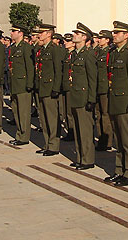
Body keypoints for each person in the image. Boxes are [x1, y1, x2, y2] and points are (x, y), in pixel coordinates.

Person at [105, 21, 128, 187]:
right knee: (118, 141)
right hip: (115, 102)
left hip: (126, 103)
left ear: (126, 35)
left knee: (127, 141)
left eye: (118, 32)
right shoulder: (114, 52)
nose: (114, 35)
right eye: (114, 32)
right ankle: (119, 170)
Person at [66, 23, 98, 169]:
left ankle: (88, 160)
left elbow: (92, 78)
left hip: (84, 98)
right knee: (78, 130)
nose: (74, 36)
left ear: (84, 37)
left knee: (85, 131)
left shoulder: (88, 54)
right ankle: (80, 156)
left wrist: (91, 99)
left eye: (77, 34)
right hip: (75, 96)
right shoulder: (75, 54)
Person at [34, 24, 63, 155]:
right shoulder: (42, 49)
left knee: (52, 118)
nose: (39, 34)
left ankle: (54, 146)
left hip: (50, 88)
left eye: (42, 32)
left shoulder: (54, 49)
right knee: (44, 118)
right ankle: (47, 143)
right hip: (42, 87)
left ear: (49, 34)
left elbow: (58, 70)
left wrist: (56, 88)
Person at [8, 24, 34, 145]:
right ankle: (19, 134)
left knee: (23, 112)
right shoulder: (13, 47)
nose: (11, 33)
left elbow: (30, 67)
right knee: (16, 110)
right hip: (15, 84)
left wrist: (29, 83)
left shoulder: (26, 47)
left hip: (23, 84)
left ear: (21, 33)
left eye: (14, 31)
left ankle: (24, 137)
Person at [95, 29, 114, 151]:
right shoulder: (97, 51)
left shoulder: (109, 52)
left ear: (107, 40)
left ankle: (107, 141)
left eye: (101, 38)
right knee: (98, 115)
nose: (99, 40)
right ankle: (101, 137)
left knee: (105, 114)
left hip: (105, 87)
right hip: (97, 87)